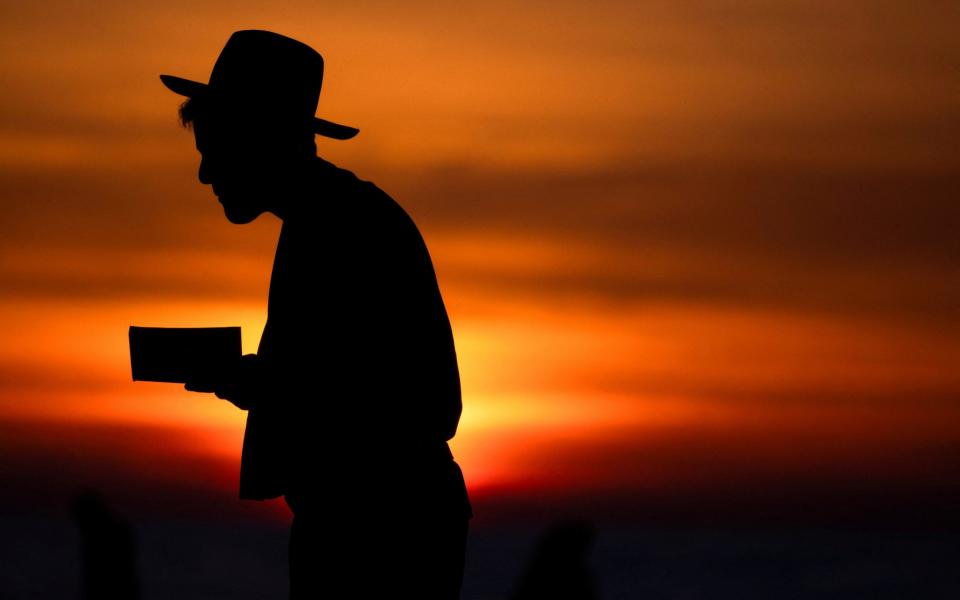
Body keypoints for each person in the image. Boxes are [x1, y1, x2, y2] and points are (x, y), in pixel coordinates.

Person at [160, 29, 473, 599]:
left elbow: (425, 405)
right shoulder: (332, 220)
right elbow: (355, 383)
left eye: (214, 150)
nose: (205, 174)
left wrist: (258, 382)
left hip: (379, 534)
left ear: (257, 137)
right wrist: (259, 382)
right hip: (375, 523)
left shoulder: (343, 227)